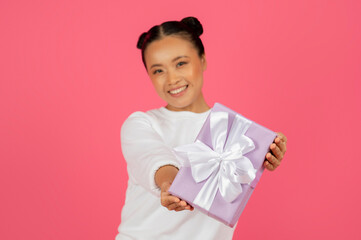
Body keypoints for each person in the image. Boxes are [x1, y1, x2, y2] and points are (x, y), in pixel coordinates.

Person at [115, 17, 287, 240]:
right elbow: (152, 157)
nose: (172, 79)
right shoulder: (140, 123)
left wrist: (269, 150)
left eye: (180, 63)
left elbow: (241, 180)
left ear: (203, 60)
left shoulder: (235, 133)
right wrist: (171, 183)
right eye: (158, 71)